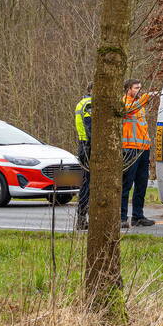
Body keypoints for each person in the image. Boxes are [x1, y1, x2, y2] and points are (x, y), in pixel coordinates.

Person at [121, 79, 158, 229]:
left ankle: (138, 216)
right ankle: (122, 217)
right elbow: (130, 110)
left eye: (140, 88)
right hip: (129, 149)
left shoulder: (140, 106)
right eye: (136, 88)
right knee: (126, 184)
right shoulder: (124, 102)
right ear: (128, 89)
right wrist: (147, 97)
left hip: (143, 149)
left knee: (142, 184)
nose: (139, 90)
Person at [73, 85, 92, 230]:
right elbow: (90, 126)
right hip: (88, 146)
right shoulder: (90, 104)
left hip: (83, 144)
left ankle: (82, 218)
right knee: (87, 184)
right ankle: (81, 218)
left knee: (86, 183)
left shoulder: (82, 102)